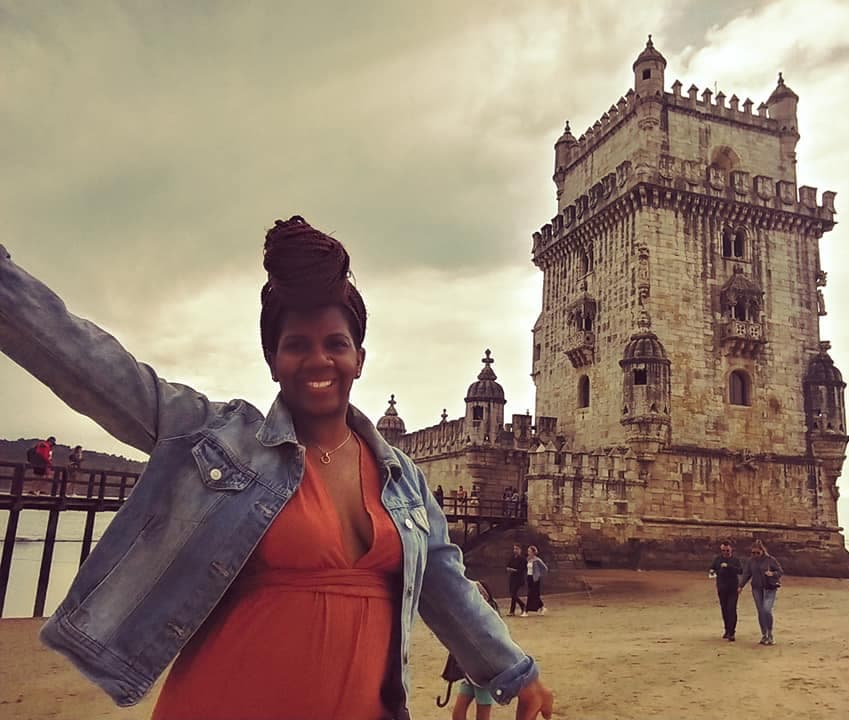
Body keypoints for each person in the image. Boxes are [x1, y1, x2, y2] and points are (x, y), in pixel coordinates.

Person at [0, 219, 553, 720]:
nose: (319, 359)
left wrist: (515, 671)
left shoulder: (402, 479)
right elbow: (96, 367)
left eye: (336, 343)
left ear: (359, 357)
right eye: (296, 345)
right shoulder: (221, 440)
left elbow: (445, 585)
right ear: (272, 360)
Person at [450, 581, 501, 720]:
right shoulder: (469, 617)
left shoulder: (488, 619)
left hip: (484, 675)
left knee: (482, 716)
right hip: (470, 674)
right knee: (457, 714)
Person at [738, 539, 783, 645]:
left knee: (767, 610)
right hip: (757, 588)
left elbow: (780, 571)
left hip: (769, 588)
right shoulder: (751, 561)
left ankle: (770, 633)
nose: (755, 555)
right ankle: (764, 634)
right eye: (753, 553)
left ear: (762, 551)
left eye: (757, 553)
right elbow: (747, 574)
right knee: (761, 611)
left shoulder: (770, 560)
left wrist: (772, 574)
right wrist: (740, 586)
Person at [709, 540, 743, 641]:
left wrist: (729, 567)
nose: (725, 552)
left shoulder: (735, 560)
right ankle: (727, 630)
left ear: (731, 550)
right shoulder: (717, 559)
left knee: (731, 609)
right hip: (722, 587)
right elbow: (712, 568)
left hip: (733, 588)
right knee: (724, 609)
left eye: (727, 550)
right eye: (723, 550)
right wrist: (712, 571)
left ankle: (732, 632)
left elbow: (740, 570)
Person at [525, 545, 548, 615]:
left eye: (529, 551)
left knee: (531, 594)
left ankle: (526, 611)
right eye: (528, 551)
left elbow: (545, 568)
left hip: (535, 579)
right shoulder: (528, 559)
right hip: (529, 577)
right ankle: (542, 607)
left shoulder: (537, 560)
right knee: (534, 594)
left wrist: (539, 575)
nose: (528, 552)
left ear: (533, 552)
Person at [506, 543, 527, 617]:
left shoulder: (523, 559)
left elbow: (523, 570)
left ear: (520, 550)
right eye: (514, 549)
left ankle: (522, 605)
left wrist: (514, 570)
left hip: (519, 579)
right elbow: (508, 565)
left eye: (517, 549)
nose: (515, 550)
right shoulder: (512, 557)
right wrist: (509, 569)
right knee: (512, 594)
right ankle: (512, 611)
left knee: (513, 594)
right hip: (512, 578)